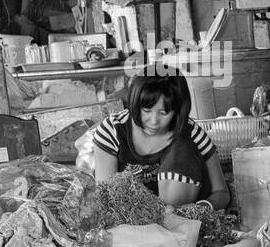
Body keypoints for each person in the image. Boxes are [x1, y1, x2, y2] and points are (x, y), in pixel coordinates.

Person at [92, 68, 230, 210]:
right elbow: (105, 198)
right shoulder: (112, 131)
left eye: (164, 113)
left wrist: (199, 210)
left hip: (182, 222)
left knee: (182, 147)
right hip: (131, 222)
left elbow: (222, 193)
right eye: (146, 110)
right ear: (134, 103)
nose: (154, 121)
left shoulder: (192, 133)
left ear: (178, 110)